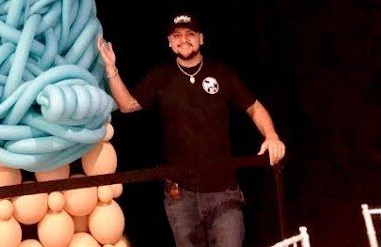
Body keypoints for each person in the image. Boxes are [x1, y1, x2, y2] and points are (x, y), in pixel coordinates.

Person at [97, 13, 286, 247]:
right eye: (177, 35)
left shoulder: (222, 73)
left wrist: (271, 135)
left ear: (201, 39)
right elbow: (127, 106)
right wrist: (111, 68)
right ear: (169, 41)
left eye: (190, 34)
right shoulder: (160, 76)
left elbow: (254, 108)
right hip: (180, 195)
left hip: (223, 192)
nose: (183, 40)